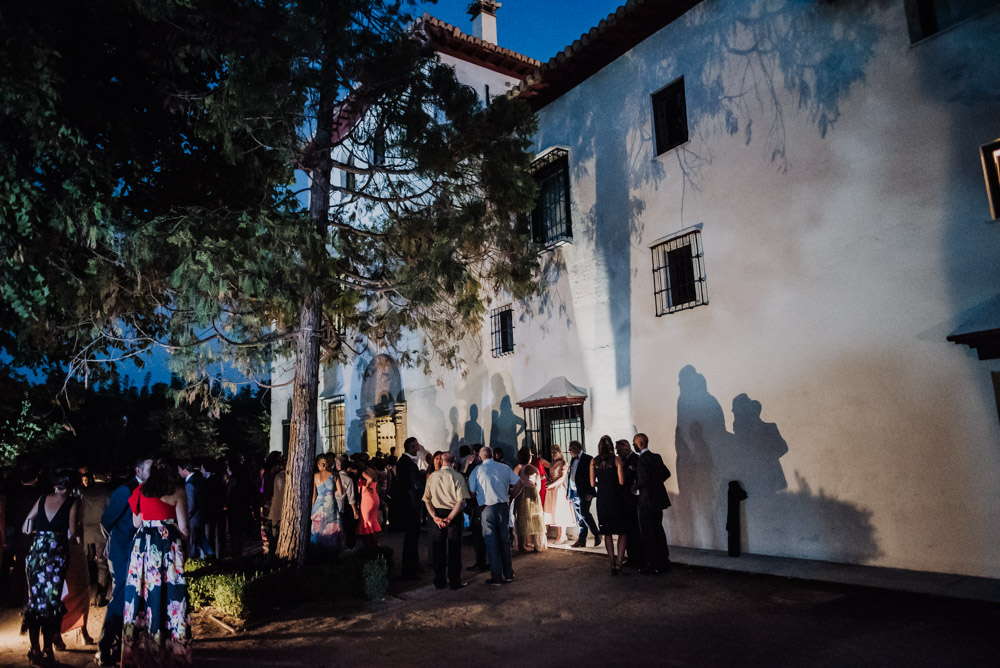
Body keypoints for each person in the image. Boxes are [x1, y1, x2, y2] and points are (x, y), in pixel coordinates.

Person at [121, 457, 192, 666]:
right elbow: (184, 527)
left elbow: (136, 523)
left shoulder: (141, 491)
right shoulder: (178, 492)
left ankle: (140, 649)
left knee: (141, 592)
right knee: (171, 594)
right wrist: (183, 546)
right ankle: (173, 650)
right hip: (168, 546)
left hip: (144, 547)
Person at [21, 469, 80, 666]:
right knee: (51, 603)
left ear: (55, 485)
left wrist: (40, 533)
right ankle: (48, 649)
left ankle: (34, 649)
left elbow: (26, 524)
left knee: (35, 602)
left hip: (36, 554)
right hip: (56, 556)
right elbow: (72, 531)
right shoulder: (73, 502)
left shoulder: (43, 498)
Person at [96, 457, 151, 667]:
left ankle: (124, 644)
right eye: (150, 468)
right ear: (138, 470)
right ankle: (105, 646)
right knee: (120, 597)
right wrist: (115, 541)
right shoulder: (125, 490)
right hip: (122, 550)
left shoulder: (151, 489)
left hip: (138, 551)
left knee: (134, 597)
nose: (154, 471)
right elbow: (106, 521)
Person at [469, 446, 522, 586]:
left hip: (486, 508)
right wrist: (511, 497)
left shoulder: (477, 470)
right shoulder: (504, 468)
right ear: (492, 455)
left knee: (491, 542)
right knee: (504, 541)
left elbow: (472, 491)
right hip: (503, 506)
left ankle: (496, 576)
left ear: (480, 457)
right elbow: (519, 483)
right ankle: (508, 573)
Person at [422, 452, 470, 590]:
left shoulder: (432, 477)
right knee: (454, 548)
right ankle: (455, 581)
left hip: (437, 513)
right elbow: (460, 501)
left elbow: (427, 499)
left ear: (442, 461)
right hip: (453, 514)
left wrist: (434, 516)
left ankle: (439, 581)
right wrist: (450, 518)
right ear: (454, 462)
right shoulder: (458, 477)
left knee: (438, 548)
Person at [59, 470, 92, 646]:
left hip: (71, 548)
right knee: (66, 591)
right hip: (68, 546)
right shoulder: (75, 500)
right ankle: (59, 632)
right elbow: (75, 530)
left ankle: (80, 628)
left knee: (79, 589)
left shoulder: (77, 499)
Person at [632, 432, 672, 575]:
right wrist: (656, 484)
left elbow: (643, 479)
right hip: (658, 500)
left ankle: (652, 564)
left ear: (640, 443)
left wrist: (635, 487)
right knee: (658, 529)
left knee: (648, 532)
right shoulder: (656, 457)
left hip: (646, 500)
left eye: (634, 443)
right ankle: (664, 561)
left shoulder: (641, 460)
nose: (633, 446)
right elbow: (666, 473)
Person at [591, 435, 628, 574]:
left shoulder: (594, 461)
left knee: (607, 532)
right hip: (616, 498)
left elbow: (592, 483)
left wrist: (602, 485)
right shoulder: (617, 460)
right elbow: (621, 481)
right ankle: (619, 563)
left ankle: (612, 562)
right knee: (622, 532)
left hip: (602, 499)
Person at [396, 437, 426, 579]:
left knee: (413, 537)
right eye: (416, 446)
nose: (419, 448)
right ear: (411, 447)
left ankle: (413, 564)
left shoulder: (405, 461)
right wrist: (423, 474)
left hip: (409, 503)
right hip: (411, 504)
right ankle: (409, 570)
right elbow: (417, 484)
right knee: (411, 537)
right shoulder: (407, 463)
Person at [616, 439, 645, 570]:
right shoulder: (619, 461)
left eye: (619, 449)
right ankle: (631, 555)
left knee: (635, 528)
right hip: (622, 499)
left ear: (627, 447)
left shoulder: (636, 460)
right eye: (617, 450)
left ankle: (640, 556)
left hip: (633, 499)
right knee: (627, 529)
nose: (618, 452)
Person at [567, 441, 600, 548]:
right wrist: (569, 491)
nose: (569, 450)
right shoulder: (573, 459)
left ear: (578, 448)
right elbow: (572, 475)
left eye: (571, 448)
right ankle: (582, 540)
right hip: (574, 491)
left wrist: (590, 492)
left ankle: (596, 533)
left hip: (584, 492)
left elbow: (591, 476)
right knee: (579, 517)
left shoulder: (588, 459)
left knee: (584, 513)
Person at [513, 447, 545, 552]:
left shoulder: (517, 469)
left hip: (521, 494)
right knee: (535, 519)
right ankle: (537, 545)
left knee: (521, 519)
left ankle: (521, 545)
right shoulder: (534, 469)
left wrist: (512, 496)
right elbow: (538, 485)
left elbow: (515, 484)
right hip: (532, 493)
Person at [311, 454, 343, 551]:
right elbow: (340, 492)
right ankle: (331, 548)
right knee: (331, 526)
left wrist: (313, 507)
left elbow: (314, 495)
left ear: (319, 464)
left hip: (318, 504)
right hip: (330, 503)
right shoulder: (335, 475)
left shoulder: (315, 476)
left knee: (318, 526)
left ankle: (317, 548)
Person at [542, 446, 574, 544]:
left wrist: (552, 485)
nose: (553, 455)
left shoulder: (564, 463)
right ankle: (560, 535)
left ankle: (562, 535)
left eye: (554, 453)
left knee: (560, 511)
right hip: (552, 488)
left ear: (559, 452)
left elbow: (561, 478)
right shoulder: (552, 463)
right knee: (554, 511)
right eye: (551, 453)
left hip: (559, 488)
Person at [178, 460, 207, 559]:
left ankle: (192, 560)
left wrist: (185, 516)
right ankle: (212, 558)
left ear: (185, 470)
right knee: (202, 540)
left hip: (193, 518)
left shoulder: (189, 484)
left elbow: (190, 504)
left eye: (179, 470)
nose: (178, 472)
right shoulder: (200, 479)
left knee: (192, 542)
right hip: (201, 515)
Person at [357, 464, 382, 547]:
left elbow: (369, 479)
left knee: (366, 522)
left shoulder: (364, 472)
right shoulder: (372, 471)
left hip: (367, 499)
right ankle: (375, 544)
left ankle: (368, 545)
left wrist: (367, 487)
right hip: (375, 497)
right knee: (373, 521)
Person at [267, 455, 286, 548]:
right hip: (280, 507)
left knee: (275, 529)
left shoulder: (278, 476)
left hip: (276, 507)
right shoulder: (279, 476)